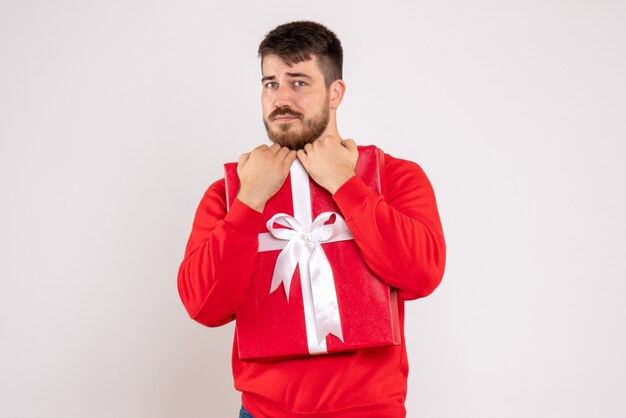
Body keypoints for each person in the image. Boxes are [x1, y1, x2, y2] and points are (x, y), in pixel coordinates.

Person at [178, 21, 446, 418]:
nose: (281, 98)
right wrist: (250, 200)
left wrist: (344, 182)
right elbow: (204, 306)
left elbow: (422, 274)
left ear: (335, 92)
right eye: (270, 83)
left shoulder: (395, 177)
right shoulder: (230, 191)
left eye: (298, 82)